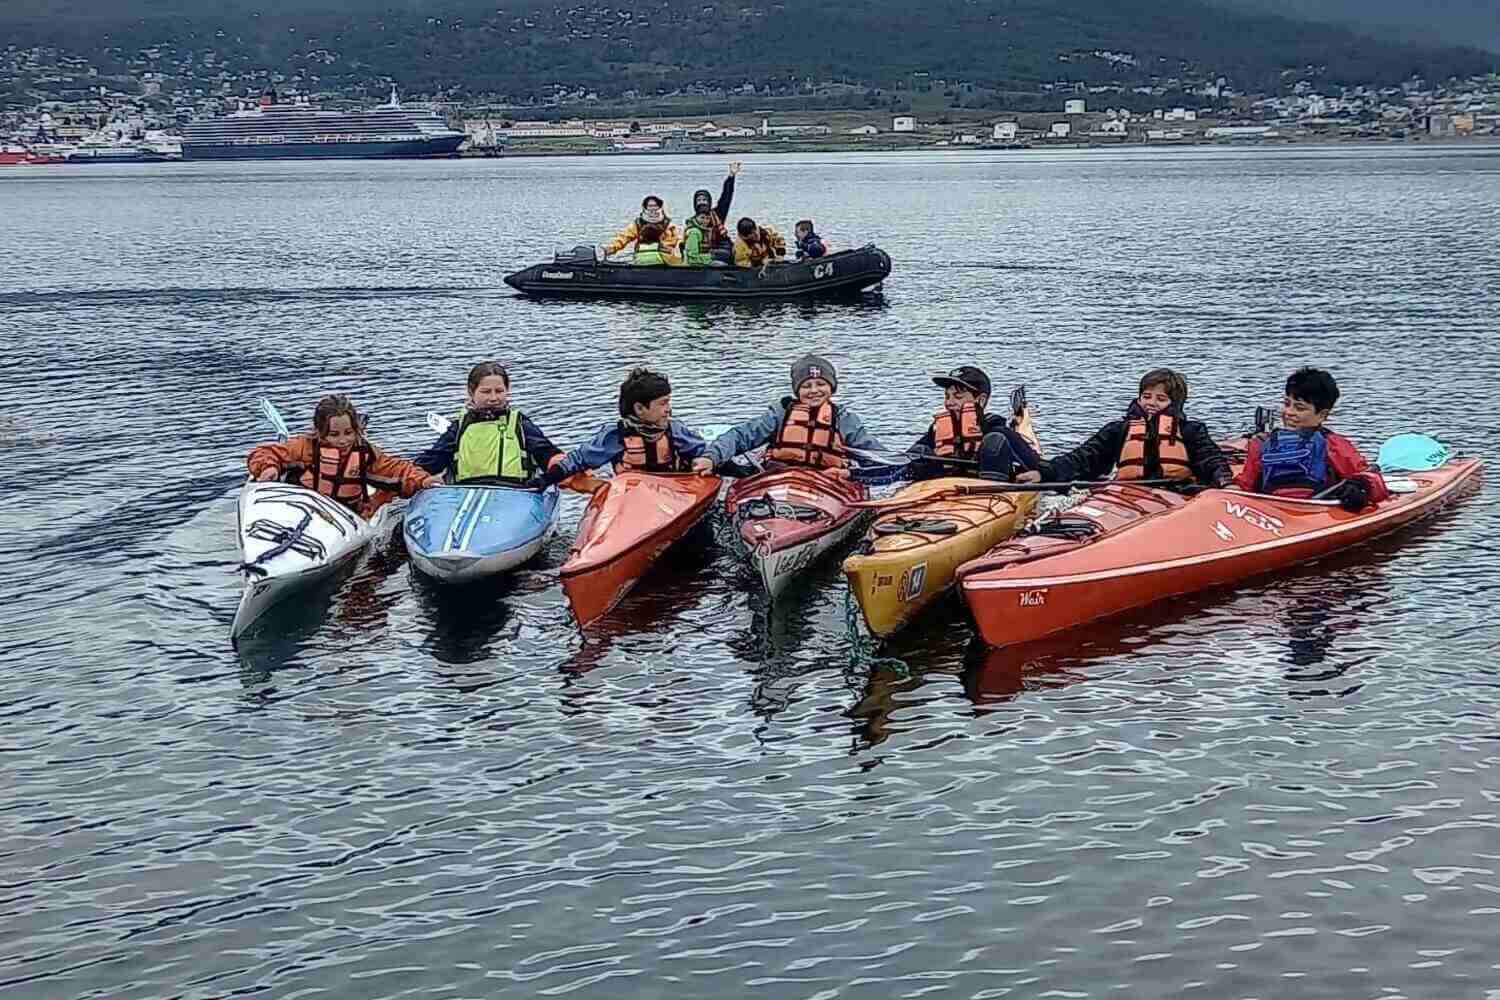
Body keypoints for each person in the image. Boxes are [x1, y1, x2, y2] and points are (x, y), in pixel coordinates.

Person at [1016, 368, 1232, 487]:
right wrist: (1044, 473)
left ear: (1174, 404)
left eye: (1160, 399)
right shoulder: (1118, 430)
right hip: (1130, 494)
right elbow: (1083, 458)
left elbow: (1210, 459)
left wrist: (1225, 482)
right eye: (1146, 396)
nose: (1151, 403)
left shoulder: (1191, 431)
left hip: (1179, 492)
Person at [692, 354, 882, 480]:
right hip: (779, 478)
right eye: (806, 386)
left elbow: (878, 458)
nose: (814, 391)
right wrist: (711, 458)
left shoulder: (844, 420)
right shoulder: (780, 414)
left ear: (831, 388)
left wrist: (849, 474)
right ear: (797, 390)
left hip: (827, 482)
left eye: (821, 384)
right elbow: (740, 436)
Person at [248, 393, 440, 518]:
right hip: (301, 510)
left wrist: (423, 480)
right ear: (320, 432)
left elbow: (398, 470)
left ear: (356, 430)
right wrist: (268, 467)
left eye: (348, 433)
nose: (343, 441)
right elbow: (264, 453)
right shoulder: (304, 447)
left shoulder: (365, 453)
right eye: (334, 434)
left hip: (344, 515)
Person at [1233, 367, 1389, 511]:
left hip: (1318, 511)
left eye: (1299, 408)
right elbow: (1244, 485)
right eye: (1287, 404)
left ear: (1322, 415)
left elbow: (1370, 480)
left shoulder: (1333, 445)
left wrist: (1361, 485)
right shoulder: (1261, 444)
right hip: (1273, 511)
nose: (1289, 412)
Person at [540, 367, 707, 482]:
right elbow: (579, 460)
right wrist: (547, 479)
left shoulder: (675, 430)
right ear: (639, 408)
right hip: (632, 495)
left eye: (668, 402)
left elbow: (705, 454)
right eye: (663, 403)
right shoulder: (616, 436)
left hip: (672, 492)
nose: (668, 409)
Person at [414, 361, 566, 483]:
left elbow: (547, 453)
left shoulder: (521, 425)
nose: (493, 398)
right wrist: (417, 478)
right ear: (471, 392)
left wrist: (563, 467)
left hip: (516, 493)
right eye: (486, 392)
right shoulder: (459, 429)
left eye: (499, 391)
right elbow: (430, 462)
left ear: (507, 390)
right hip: (465, 493)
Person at [907, 366, 1040, 481]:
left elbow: (1042, 467)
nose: (949, 403)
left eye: (958, 396)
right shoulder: (937, 431)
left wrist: (1040, 475)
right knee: (919, 452)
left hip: (990, 493)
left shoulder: (998, 431)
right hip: (940, 488)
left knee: (994, 442)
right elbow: (904, 461)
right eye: (947, 396)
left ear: (981, 400)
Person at [680, 162, 741, 266]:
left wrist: (731, 176)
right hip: (703, 252)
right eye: (699, 200)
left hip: (720, 247)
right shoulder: (692, 224)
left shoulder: (717, 214)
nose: (702, 202)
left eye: (704, 199)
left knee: (725, 255)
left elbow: (726, 197)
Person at [602, 195, 680, 261]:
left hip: (664, 259)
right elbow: (625, 237)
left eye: (655, 206)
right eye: (650, 206)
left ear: (660, 207)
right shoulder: (638, 223)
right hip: (642, 259)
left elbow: (674, 241)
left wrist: (663, 247)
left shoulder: (669, 225)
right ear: (645, 207)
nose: (653, 209)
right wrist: (612, 248)